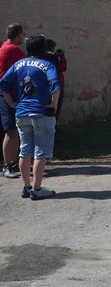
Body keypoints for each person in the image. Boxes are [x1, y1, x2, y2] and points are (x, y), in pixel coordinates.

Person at [0, 35, 61, 199]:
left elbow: (3, 84)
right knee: (41, 152)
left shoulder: (18, 64)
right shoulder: (48, 65)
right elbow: (55, 86)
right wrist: (53, 105)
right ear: (43, 48)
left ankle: (26, 187)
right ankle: (37, 189)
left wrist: (12, 103)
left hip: (22, 114)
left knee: (24, 151)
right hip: (42, 113)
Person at [0, 23, 26, 178]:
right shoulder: (13, 50)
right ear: (18, 35)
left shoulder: (4, 47)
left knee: (14, 131)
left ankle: (13, 163)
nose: (23, 37)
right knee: (11, 131)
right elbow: (26, 65)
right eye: (22, 34)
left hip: (8, 93)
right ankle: (8, 165)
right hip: (9, 95)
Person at [44, 39, 67, 120]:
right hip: (56, 86)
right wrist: (61, 56)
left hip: (45, 86)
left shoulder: (41, 58)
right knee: (55, 108)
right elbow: (62, 67)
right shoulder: (53, 58)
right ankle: (53, 127)